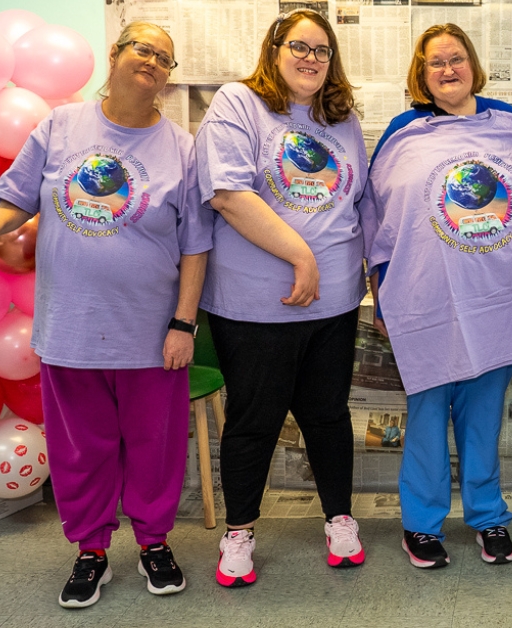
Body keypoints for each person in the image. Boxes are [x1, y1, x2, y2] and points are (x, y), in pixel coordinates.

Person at [0, 22, 210, 608]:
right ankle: (90, 550)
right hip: (69, 327)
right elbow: (17, 197)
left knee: (155, 447)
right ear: (116, 56)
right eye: (143, 48)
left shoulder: (183, 148)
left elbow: (196, 244)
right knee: (80, 449)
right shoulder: (60, 127)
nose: (152, 61)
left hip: (151, 334)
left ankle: (154, 543)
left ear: (168, 79)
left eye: (164, 58)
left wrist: (183, 324)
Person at [361, 23, 512, 570]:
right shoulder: (403, 130)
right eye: (436, 62)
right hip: (424, 302)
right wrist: (381, 296)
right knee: (428, 414)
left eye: (456, 58)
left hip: (495, 300)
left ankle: (487, 517)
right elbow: (379, 219)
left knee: (483, 418)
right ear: (422, 74)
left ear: (472, 64)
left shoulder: (508, 121)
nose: (448, 69)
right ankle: (422, 526)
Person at [194, 8, 367, 587]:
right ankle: (239, 531)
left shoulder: (340, 119)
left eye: (322, 50)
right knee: (254, 421)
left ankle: (339, 519)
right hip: (253, 306)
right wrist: (302, 256)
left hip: (335, 306)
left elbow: (358, 202)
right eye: (299, 46)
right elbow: (227, 193)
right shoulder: (239, 103)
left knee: (326, 416)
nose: (311, 58)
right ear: (274, 50)